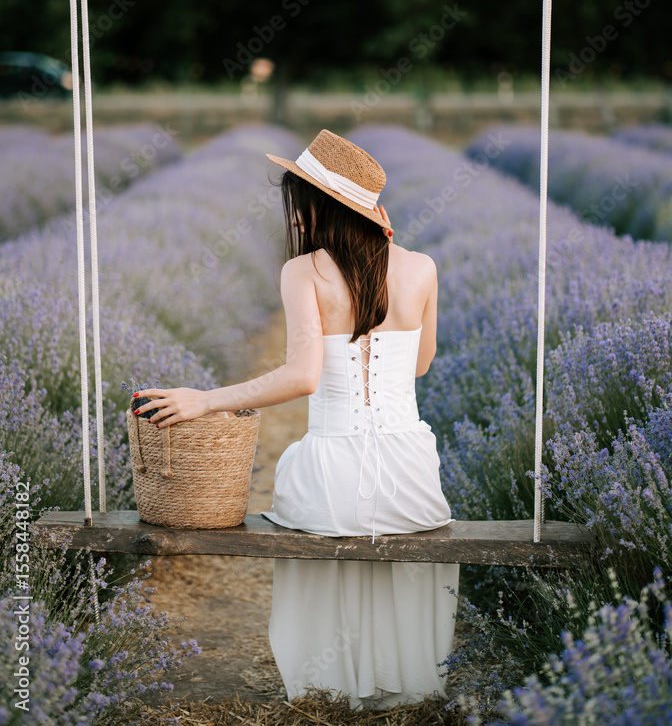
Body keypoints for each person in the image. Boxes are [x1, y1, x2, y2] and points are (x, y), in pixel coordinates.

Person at [134, 128, 459, 710]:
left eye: (298, 202)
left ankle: (331, 689)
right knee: (395, 543)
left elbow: (303, 376)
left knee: (320, 512)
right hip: (412, 475)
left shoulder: (305, 271)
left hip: (330, 478)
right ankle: (396, 682)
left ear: (319, 206)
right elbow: (423, 362)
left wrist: (205, 399)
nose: (293, 216)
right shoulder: (422, 268)